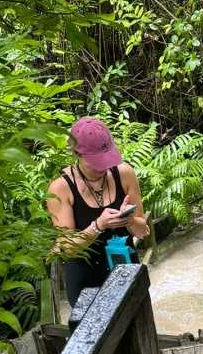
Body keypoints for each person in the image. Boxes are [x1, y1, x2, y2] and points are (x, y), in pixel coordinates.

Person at [47, 117, 150, 304]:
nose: (103, 166)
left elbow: (143, 231)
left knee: (138, 330)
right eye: (96, 162)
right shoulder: (60, 188)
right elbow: (67, 249)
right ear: (77, 153)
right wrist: (98, 225)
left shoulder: (125, 174)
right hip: (85, 283)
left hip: (126, 272)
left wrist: (130, 221)